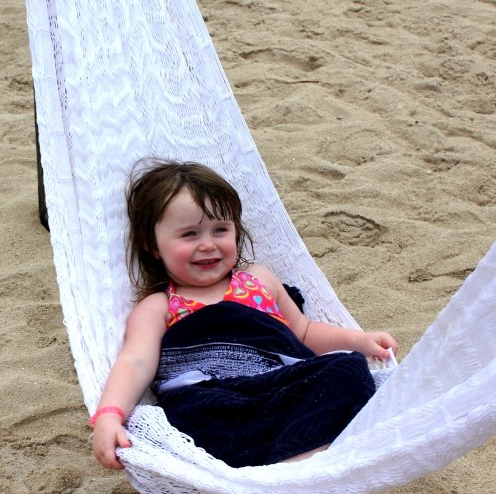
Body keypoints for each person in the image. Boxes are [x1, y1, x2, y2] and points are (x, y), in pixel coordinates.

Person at [92, 158, 398, 471]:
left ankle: (296, 465)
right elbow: (135, 362)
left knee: (350, 371)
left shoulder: (258, 279)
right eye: (190, 234)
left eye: (220, 229)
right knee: (182, 418)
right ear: (152, 245)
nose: (208, 245)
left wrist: (359, 341)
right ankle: (284, 468)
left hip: (277, 389)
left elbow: (303, 332)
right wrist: (109, 415)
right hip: (212, 403)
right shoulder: (159, 305)